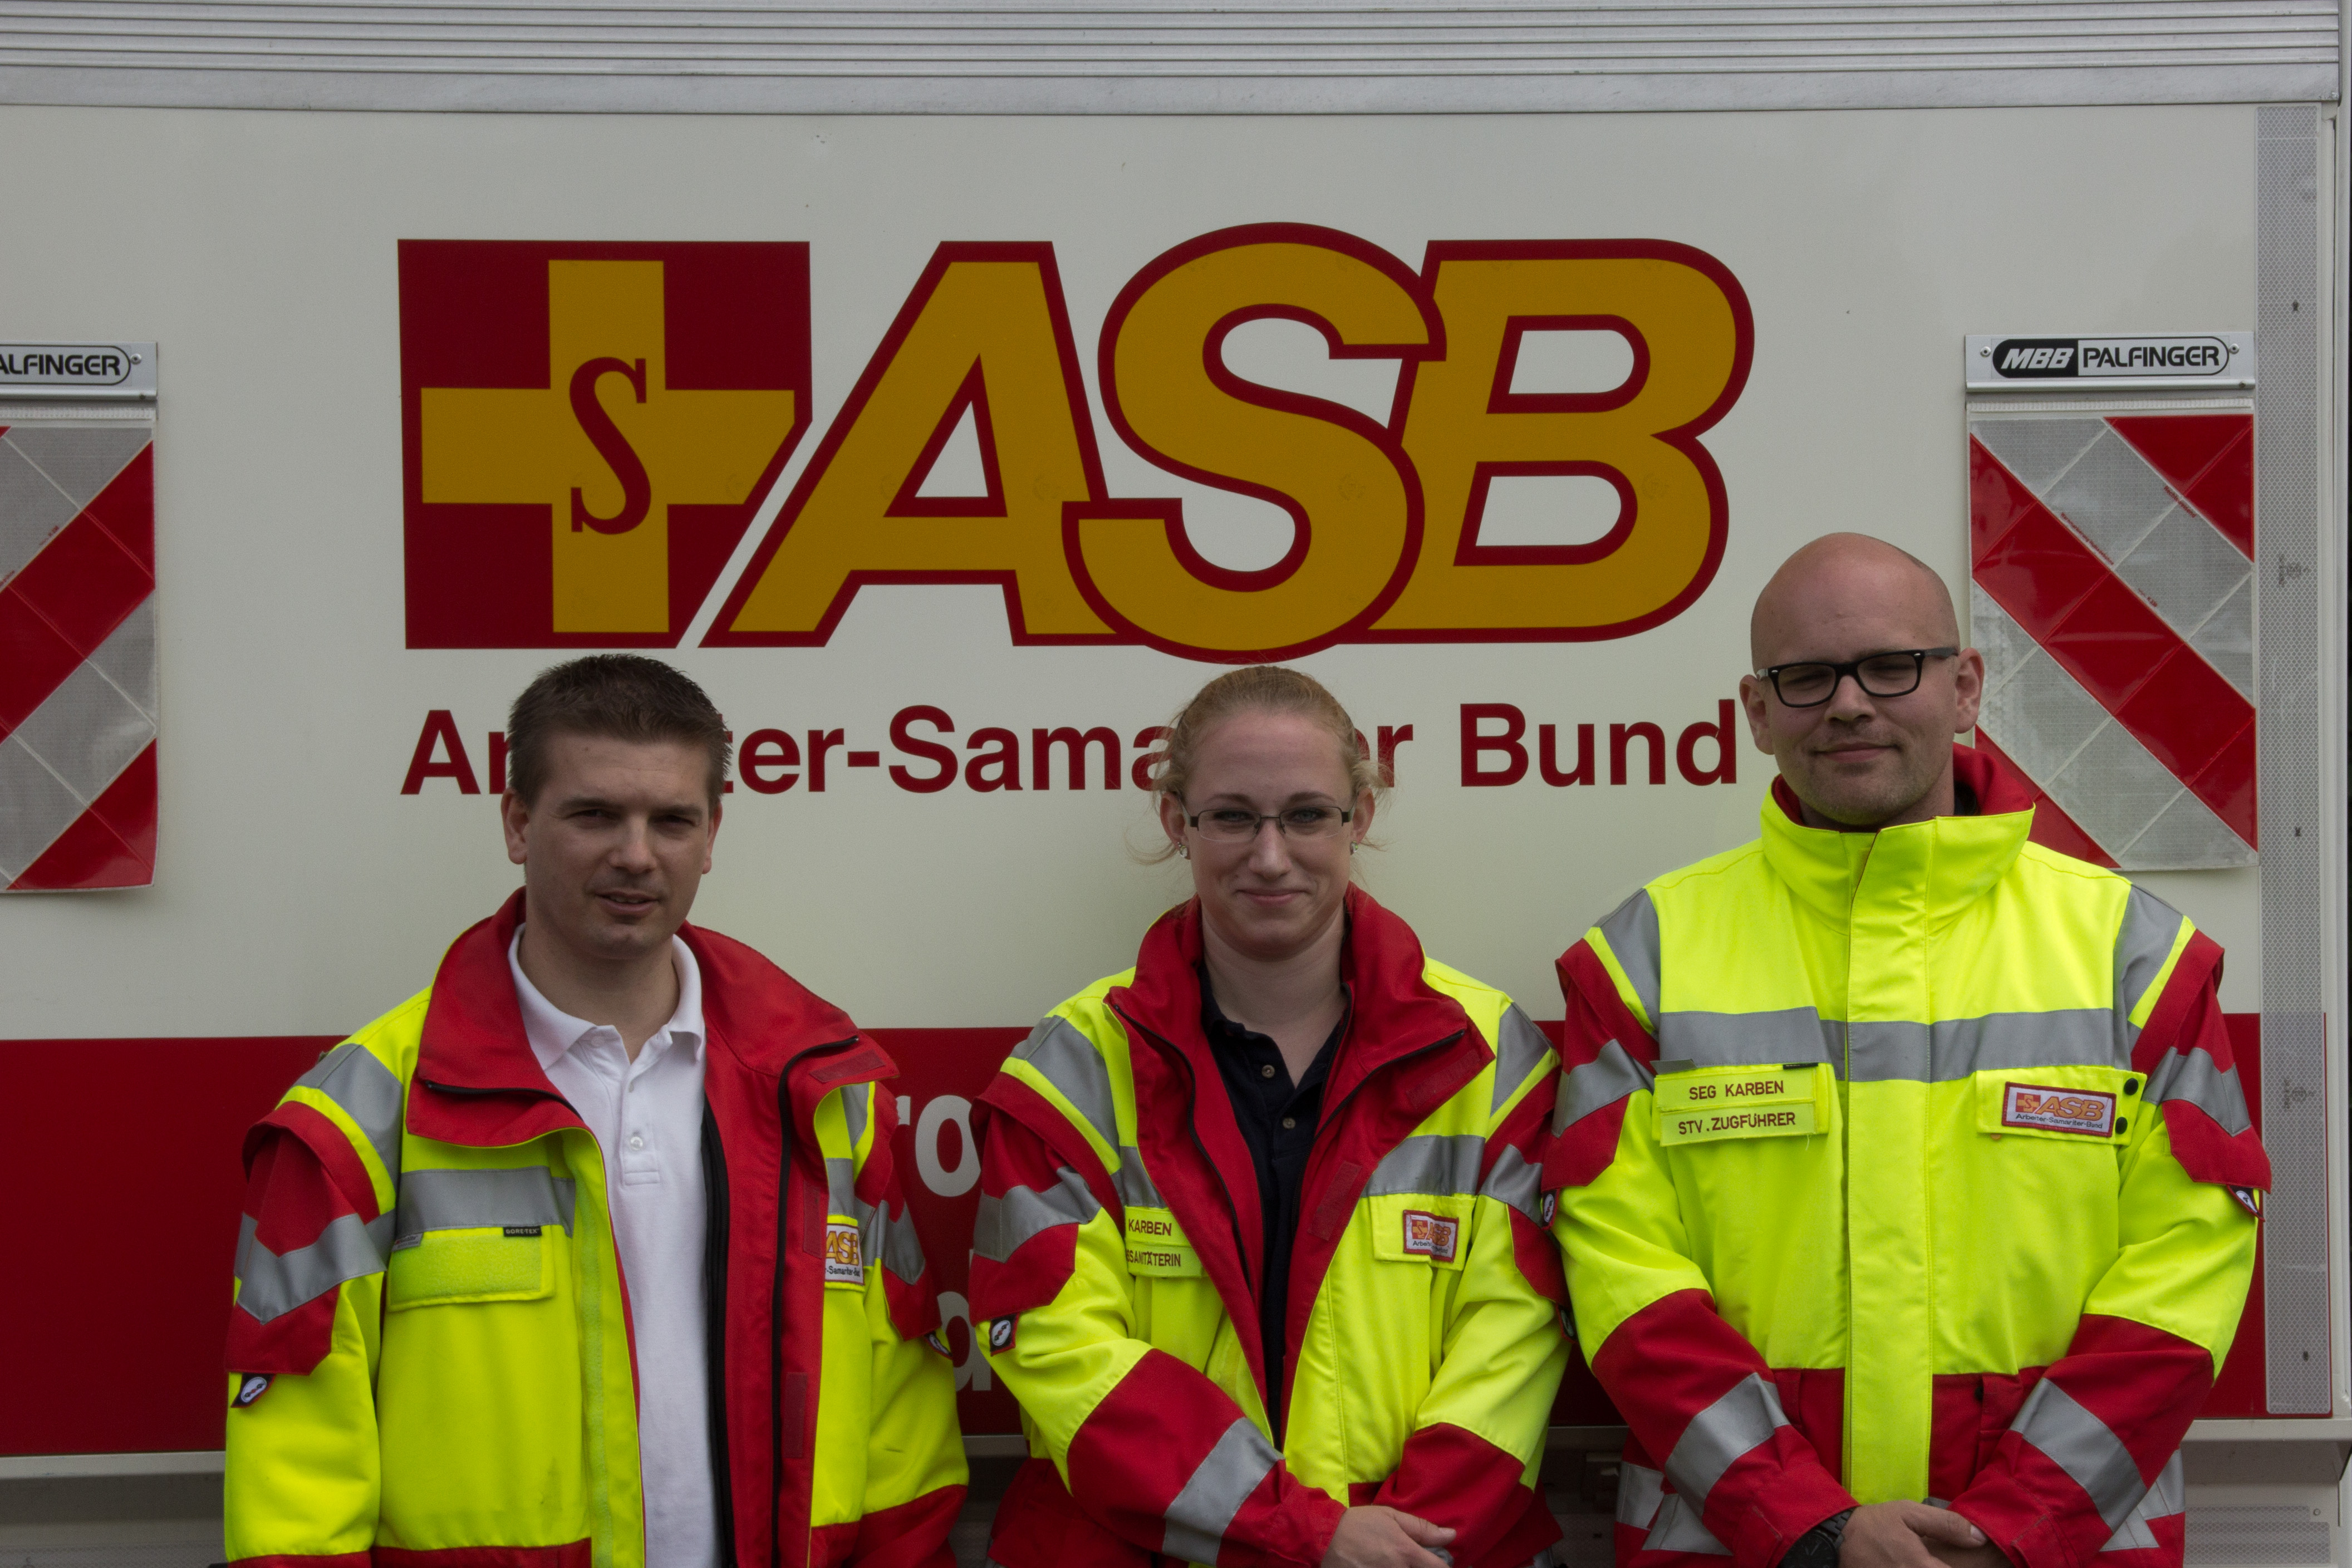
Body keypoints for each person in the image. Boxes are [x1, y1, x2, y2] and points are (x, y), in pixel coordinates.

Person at [1545, 534, 2268, 1568]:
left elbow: (2184, 1276)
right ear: (1756, 711)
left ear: (1964, 685)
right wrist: (1805, 1520)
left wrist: (2012, 1525)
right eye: (1805, 677)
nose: (1848, 704)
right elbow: (1620, 1280)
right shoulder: (1640, 961)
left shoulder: (2136, 957)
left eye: (1893, 667)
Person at [221, 655, 965, 1568]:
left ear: (712, 832)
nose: (636, 853)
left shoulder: (825, 1093)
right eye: (594, 814)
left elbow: (904, 1426)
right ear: (517, 822)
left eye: (671, 820)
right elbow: (296, 1474)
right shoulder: (359, 1118)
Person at [969, 666, 1571, 1568]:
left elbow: (1518, 1329)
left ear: (1358, 816)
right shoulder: (1073, 1067)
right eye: (1232, 816)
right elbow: (1057, 1346)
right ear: (1178, 822)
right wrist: (1303, 1534)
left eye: (1305, 814)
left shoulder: (1489, 1055)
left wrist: (1394, 1548)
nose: (1270, 854)